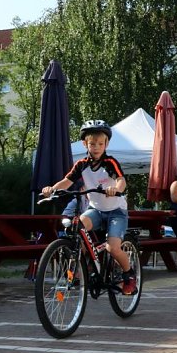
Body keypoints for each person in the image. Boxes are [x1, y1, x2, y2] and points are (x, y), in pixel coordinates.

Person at [42, 120, 136, 295]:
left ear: (106, 144)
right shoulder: (81, 164)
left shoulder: (110, 162)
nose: (96, 147)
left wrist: (116, 189)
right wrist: (52, 189)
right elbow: (67, 181)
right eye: (92, 143)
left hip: (116, 211)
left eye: (100, 144)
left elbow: (121, 180)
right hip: (96, 210)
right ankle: (83, 267)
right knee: (77, 228)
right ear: (85, 144)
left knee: (112, 248)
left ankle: (129, 275)